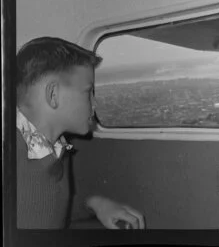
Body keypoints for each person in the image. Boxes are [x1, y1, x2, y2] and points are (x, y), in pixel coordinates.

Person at [16, 36, 145, 229]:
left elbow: (45, 209)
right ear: (53, 95)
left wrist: (94, 204)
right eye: (88, 92)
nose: (95, 103)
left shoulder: (56, 146)